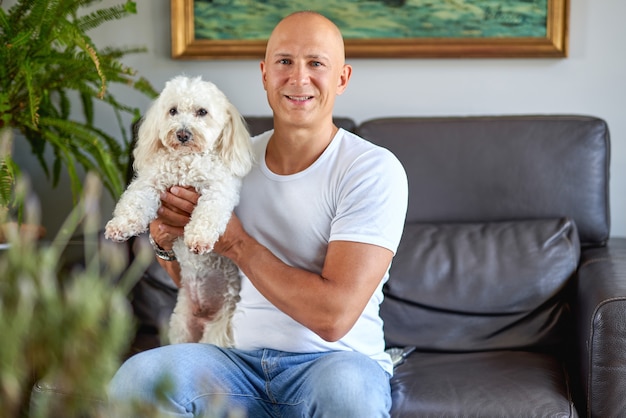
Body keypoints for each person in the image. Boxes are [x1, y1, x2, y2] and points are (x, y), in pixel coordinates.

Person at [108, 10, 408, 417]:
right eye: (284, 62)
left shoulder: (372, 169)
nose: (298, 78)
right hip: (233, 361)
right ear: (265, 73)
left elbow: (333, 318)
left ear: (342, 78)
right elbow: (201, 275)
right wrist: (165, 244)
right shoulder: (229, 160)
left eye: (315, 63)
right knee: (137, 379)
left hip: (335, 361)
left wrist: (237, 243)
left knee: (350, 395)